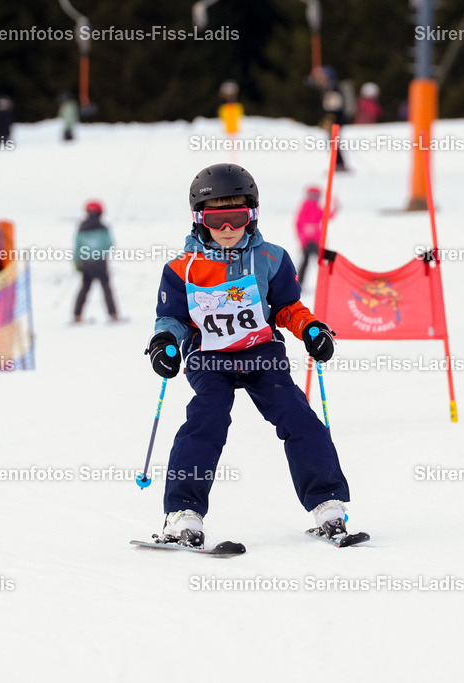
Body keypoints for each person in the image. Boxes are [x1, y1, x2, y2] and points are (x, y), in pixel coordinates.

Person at [144, 163, 354, 548]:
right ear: (199, 219)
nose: (227, 229)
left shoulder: (271, 259)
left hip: (262, 354)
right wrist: (164, 344)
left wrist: (311, 329)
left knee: (297, 414)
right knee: (207, 419)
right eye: (216, 219)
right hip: (210, 358)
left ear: (252, 215)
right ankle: (183, 512)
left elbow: (287, 307)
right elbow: (171, 318)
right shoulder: (181, 269)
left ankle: (328, 503)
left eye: (236, 217)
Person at [73, 200, 119, 323]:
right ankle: (113, 315)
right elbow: (109, 244)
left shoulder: (82, 227)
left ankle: (77, 316)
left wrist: (76, 262)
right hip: (100, 263)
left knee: (84, 288)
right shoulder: (104, 227)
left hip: (85, 263)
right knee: (106, 288)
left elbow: (77, 245)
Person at [294, 185, 337, 284]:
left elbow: (327, 216)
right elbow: (299, 225)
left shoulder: (317, 208)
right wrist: (302, 239)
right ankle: (300, 282)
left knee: (322, 260)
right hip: (308, 242)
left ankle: (328, 280)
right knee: (307, 261)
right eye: (313, 196)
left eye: (317, 196)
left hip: (317, 241)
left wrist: (334, 205)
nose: (315, 198)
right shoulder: (305, 207)